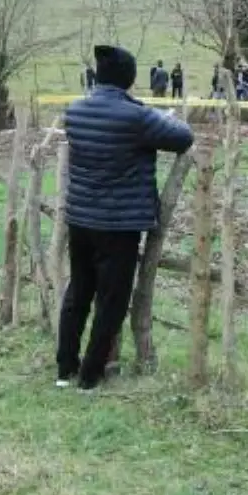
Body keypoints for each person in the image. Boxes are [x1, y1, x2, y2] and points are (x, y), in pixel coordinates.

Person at [58, 44, 195, 392]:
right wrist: (158, 115)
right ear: (129, 79)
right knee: (112, 300)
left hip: (80, 218)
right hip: (118, 224)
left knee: (78, 292)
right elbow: (183, 137)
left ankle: (65, 367)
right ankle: (90, 375)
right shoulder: (136, 117)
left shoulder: (75, 111)